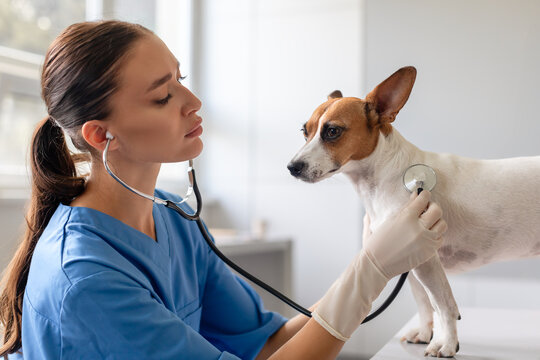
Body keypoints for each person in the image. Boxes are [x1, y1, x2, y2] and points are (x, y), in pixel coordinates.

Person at [0, 20, 447, 360]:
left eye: (181, 78)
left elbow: (268, 340)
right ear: (101, 135)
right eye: (162, 96)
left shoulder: (174, 217)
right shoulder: (86, 279)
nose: (193, 102)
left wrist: (370, 265)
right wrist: (371, 270)